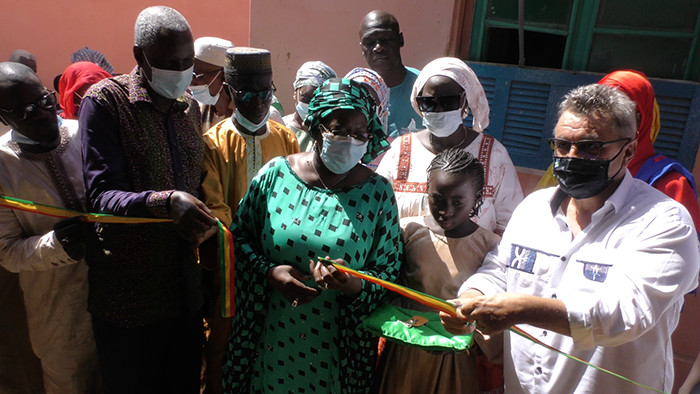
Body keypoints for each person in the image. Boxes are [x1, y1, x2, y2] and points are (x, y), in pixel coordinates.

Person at [441, 83, 700, 393]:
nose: (572, 157)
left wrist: (523, 310)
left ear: (628, 150)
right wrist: (472, 296)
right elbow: (499, 269)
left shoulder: (664, 222)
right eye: (563, 145)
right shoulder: (534, 209)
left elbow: (627, 314)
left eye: (591, 147)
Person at [222, 78, 401, 393]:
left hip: (336, 352)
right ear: (317, 127)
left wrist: (353, 283)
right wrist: (269, 272)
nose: (350, 140)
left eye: (360, 133)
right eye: (339, 130)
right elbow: (238, 239)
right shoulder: (274, 176)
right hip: (270, 341)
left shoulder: (377, 193)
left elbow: (389, 270)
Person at [79, 6, 218, 393]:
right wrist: (166, 201)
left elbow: (197, 179)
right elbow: (101, 194)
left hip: (185, 293)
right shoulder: (106, 102)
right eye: (169, 62)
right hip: (129, 298)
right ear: (140, 56)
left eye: (188, 60)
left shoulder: (189, 107)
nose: (181, 69)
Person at [199, 46, 299, 393]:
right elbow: (216, 208)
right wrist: (251, 255)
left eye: (266, 92)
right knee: (222, 350)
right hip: (232, 270)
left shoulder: (287, 139)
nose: (259, 102)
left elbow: (299, 200)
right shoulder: (212, 143)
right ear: (228, 91)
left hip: (280, 267)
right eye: (247, 94)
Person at [0, 62, 100, 393]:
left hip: (114, 298)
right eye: (25, 111)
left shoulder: (85, 134)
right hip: (57, 313)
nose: (42, 114)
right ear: (4, 117)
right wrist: (55, 246)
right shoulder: (3, 166)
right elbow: (7, 252)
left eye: (45, 100)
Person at [374, 148, 503, 394]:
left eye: (458, 202)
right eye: (438, 200)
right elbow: (389, 284)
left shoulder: (489, 247)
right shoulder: (409, 231)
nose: (447, 210)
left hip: (455, 354)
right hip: (406, 345)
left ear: (477, 198)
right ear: (427, 191)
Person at [535, 71, 700, 229]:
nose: (573, 154)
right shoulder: (565, 167)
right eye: (602, 109)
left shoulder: (669, 184)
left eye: (592, 147)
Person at [376, 57, 522, 235]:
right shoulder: (399, 150)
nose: (438, 110)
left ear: (464, 101)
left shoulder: (494, 155)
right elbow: (378, 209)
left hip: (477, 261)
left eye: (448, 101)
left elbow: (510, 223)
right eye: (429, 103)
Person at [359, 10, 422, 137]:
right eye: (370, 42)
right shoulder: (354, 92)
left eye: (386, 39)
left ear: (400, 40)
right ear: (362, 48)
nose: (378, 47)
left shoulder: (423, 87)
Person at [283, 60, 336, 151]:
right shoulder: (281, 127)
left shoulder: (332, 133)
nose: (311, 105)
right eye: (307, 98)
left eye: (319, 100)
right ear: (296, 93)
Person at [344, 67, 390, 169]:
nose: (362, 108)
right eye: (355, 99)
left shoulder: (394, 150)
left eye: (369, 101)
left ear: (382, 106)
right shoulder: (334, 142)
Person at [191, 36, 235, 132]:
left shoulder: (248, 118)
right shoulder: (195, 111)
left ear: (224, 75)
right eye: (190, 74)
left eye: (199, 76)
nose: (191, 82)